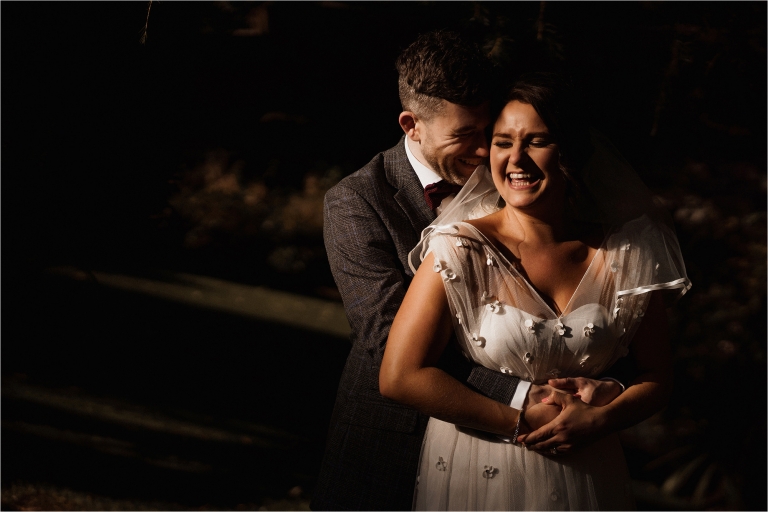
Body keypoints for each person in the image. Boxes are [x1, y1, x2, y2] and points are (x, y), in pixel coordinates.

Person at [313, 32, 625, 511]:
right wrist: (525, 397)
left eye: (488, 131)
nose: (484, 152)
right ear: (411, 125)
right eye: (464, 135)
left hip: (512, 465)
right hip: (393, 438)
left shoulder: (515, 180)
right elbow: (385, 336)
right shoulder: (356, 203)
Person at [380, 71, 691, 510]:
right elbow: (400, 376)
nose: (516, 160)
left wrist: (601, 419)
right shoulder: (459, 248)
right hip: (481, 470)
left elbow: (657, 377)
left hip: (590, 471)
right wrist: (518, 421)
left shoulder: (626, 254)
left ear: (569, 150)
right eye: (503, 142)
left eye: (537, 141)